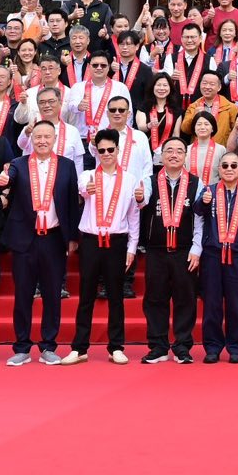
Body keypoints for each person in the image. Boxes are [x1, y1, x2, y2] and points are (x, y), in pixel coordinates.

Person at [0, 120, 80, 366]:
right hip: (25, 238)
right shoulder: (18, 164)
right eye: (38, 137)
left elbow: (71, 202)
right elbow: (7, 181)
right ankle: (22, 346)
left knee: (52, 294)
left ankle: (48, 345)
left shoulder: (67, 166)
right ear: (31, 139)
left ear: (55, 138)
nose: (42, 140)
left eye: (47, 136)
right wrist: (3, 178)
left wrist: (73, 237)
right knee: (23, 294)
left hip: (54, 238)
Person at [63, 127, 139, 364]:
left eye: (110, 149)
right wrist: (87, 190)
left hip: (117, 241)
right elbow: (82, 191)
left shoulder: (129, 179)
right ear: (95, 150)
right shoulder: (87, 176)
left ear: (118, 150)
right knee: (86, 295)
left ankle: (116, 346)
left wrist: (132, 248)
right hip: (91, 241)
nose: (106, 153)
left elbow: (133, 215)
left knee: (115, 295)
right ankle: (79, 347)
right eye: (101, 149)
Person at [138, 139, 201, 364]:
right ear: (161, 155)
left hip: (185, 251)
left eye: (179, 151)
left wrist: (197, 248)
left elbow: (200, 219)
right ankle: (158, 346)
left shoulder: (196, 183)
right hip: (156, 249)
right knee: (155, 298)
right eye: (169, 151)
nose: (174, 155)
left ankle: (182, 346)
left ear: (185, 156)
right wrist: (139, 198)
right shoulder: (149, 181)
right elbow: (140, 203)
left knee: (185, 299)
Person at [195, 149, 238, 363]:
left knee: (237, 303)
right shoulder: (209, 191)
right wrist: (203, 202)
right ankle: (212, 347)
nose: (229, 169)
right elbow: (196, 212)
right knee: (212, 303)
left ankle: (236, 347)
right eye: (225, 166)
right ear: (219, 169)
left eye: (233, 165)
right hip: (213, 255)